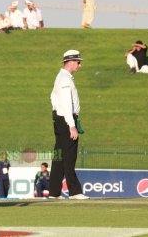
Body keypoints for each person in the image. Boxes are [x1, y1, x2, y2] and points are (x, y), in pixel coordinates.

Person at [49, 50, 89, 200]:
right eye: (78, 62)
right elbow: (66, 104)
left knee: (59, 156)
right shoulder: (65, 79)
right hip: (66, 119)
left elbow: (53, 98)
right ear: (71, 62)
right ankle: (74, 191)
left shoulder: (61, 77)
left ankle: (54, 192)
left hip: (60, 119)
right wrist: (71, 125)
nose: (80, 65)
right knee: (69, 155)